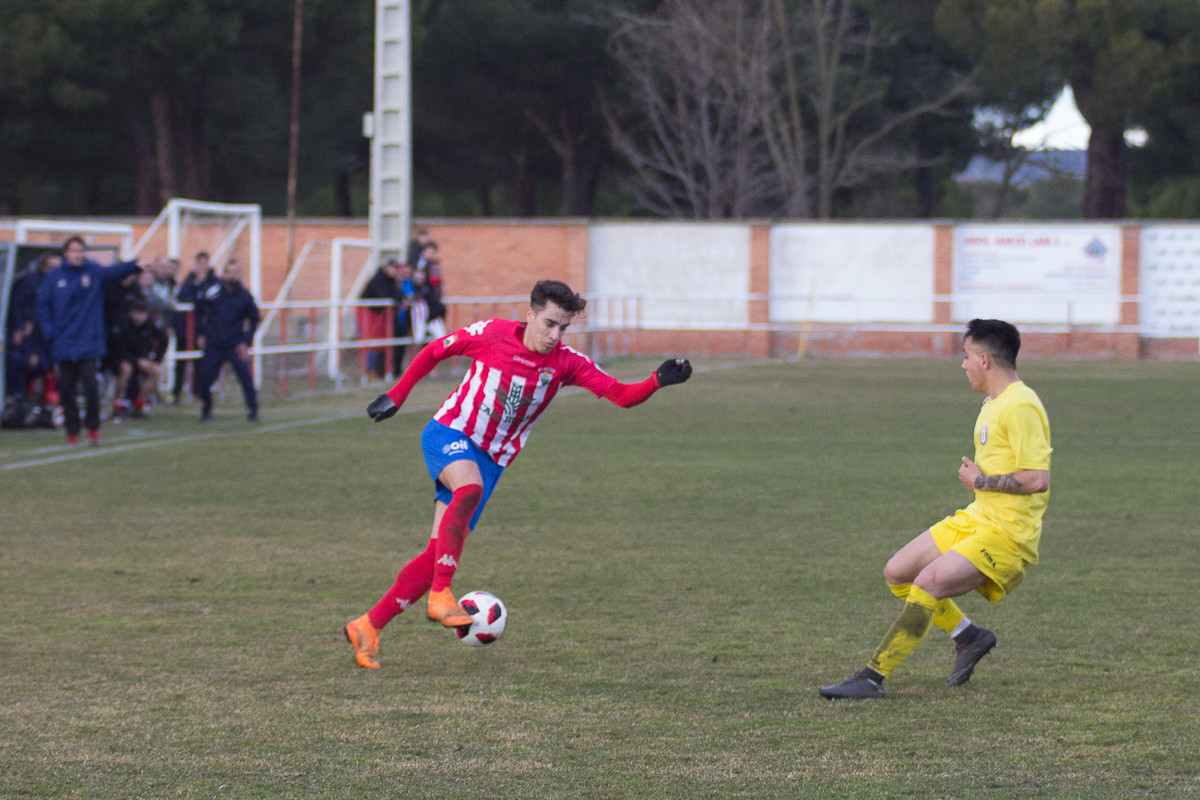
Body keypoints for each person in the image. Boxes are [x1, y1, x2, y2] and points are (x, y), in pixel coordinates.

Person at [344, 279, 693, 669]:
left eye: (563, 328)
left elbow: (622, 396)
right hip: (450, 432)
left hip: (492, 461)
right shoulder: (492, 334)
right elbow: (436, 349)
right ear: (529, 314)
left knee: (434, 556)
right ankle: (441, 595)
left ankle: (367, 626)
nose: (554, 335)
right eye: (548, 324)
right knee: (468, 491)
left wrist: (657, 381)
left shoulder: (566, 363)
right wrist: (398, 394)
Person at [819, 319, 1052, 699]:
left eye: (965, 356)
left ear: (984, 359)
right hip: (979, 518)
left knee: (927, 583)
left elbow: (1037, 479)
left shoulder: (1021, 406)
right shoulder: (994, 402)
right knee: (898, 573)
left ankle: (873, 677)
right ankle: (969, 636)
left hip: (1007, 534)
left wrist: (980, 481)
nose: (962, 365)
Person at [35, 237, 161, 444]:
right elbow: (43, 306)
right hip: (63, 342)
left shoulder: (93, 272)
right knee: (66, 391)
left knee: (91, 387)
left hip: (88, 342)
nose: (78, 254)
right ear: (65, 253)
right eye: (73, 250)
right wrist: (50, 332)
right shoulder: (53, 277)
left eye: (81, 250)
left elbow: (114, 271)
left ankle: (93, 428)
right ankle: (72, 431)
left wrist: (134, 266)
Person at [194, 261, 260, 422]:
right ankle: (207, 410)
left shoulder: (245, 295)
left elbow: (254, 318)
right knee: (205, 377)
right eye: (229, 272)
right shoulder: (212, 292)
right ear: (223, 274)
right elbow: (199, 312)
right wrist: (200, 334)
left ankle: (253, 411)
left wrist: (246, 341)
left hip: (235, 343)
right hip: (214, 343)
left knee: (245, 377)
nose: (232, 276)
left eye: (236, 272)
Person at [169, 252, 217, 404]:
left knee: (200, 362)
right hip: (185, 327)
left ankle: (198, 393)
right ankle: (175, 393)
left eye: (205, 263)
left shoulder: (213, 281)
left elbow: (208, 300)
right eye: (200, 263)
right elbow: (184, 299)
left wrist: (202, 284)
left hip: (201, 329)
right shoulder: (188, 280)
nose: (202, 266)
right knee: (180, 363)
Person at [110, 298, 168, 419]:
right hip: (124, 358)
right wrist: (137, 361)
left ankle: (139, 405)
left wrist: (156, 360)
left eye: (142, 313)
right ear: (131, 313)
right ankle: (118, 405)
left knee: (155, 371)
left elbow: (164, 339)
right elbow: (119, 350)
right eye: (137, 313)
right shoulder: (123, 325)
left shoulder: (150, 325)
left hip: (142, 359)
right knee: (126, 370)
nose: (139, 317)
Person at [357, 260, 400, 379]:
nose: (394, 271)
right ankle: (369, 371)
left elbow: (392, 295)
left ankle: (378, 370)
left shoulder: (391, 281)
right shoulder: (379, 279)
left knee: (380, 341)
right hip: (368, 312)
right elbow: (385, 295)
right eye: (392, 268)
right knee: (371, 340)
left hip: (378, 312)